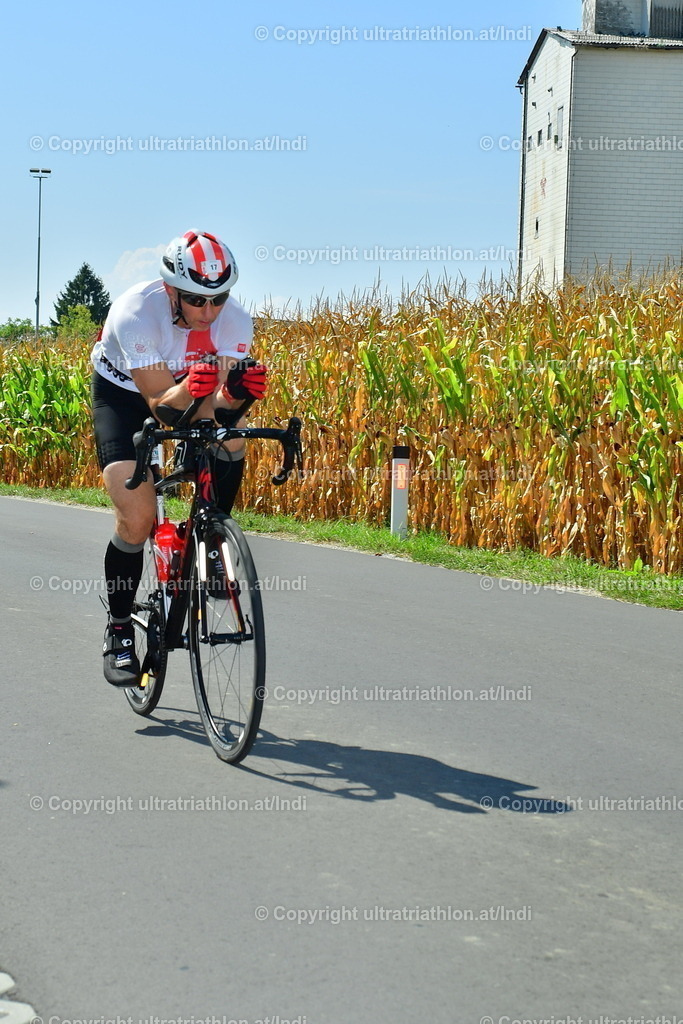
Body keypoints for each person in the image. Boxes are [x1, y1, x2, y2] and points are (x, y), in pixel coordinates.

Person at [90, 229, 267, 687]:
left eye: (218, 298)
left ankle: (209, 537)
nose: (208, 312)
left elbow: (215, 411)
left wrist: (237, 398)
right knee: (137, 516)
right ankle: (120, 628)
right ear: (170, 289)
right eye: (195, 300)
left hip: (191, 384)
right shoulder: (135, 311)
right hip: (127, 396)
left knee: (230, 440)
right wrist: (200, 384)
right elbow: (161, 408)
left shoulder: (236, 321)